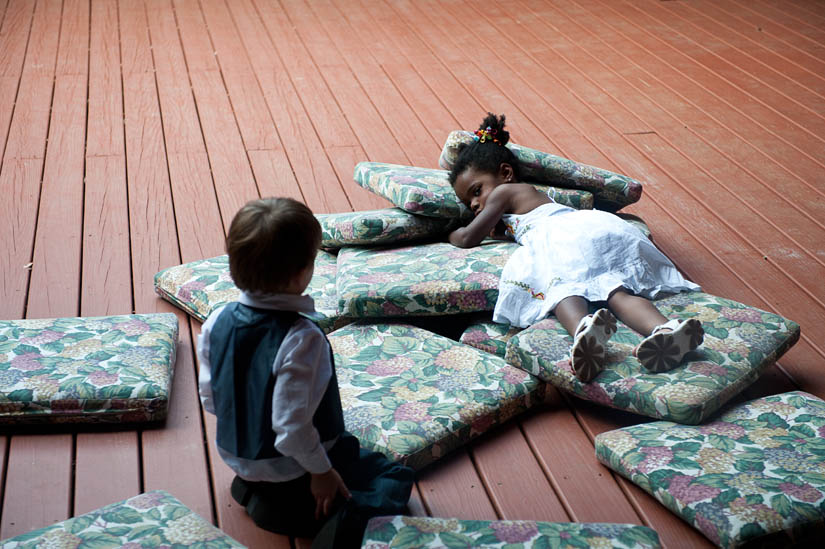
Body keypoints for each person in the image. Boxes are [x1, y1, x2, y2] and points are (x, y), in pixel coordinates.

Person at [197, 197, 414, 547]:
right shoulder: (301, 338)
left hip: (236, 453)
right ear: (302, 273)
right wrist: (321, 472)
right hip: (294, 465)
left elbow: (211, 396)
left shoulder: (216, 320)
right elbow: (291, 428)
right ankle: (345, 522)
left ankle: (254, 487)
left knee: (330, 452)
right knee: (392, 473)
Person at [448, 114, 704, 382]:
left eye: (477, 191)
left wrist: (452, 232)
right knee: (617, 292)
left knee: (561, 287)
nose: (475, 204)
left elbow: (468, 238)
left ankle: (583, 329)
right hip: (588, 229)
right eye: (469, 203)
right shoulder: (526, 197)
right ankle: (665, 329)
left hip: (559, 236)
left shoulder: (503, 193)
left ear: (505, 174)